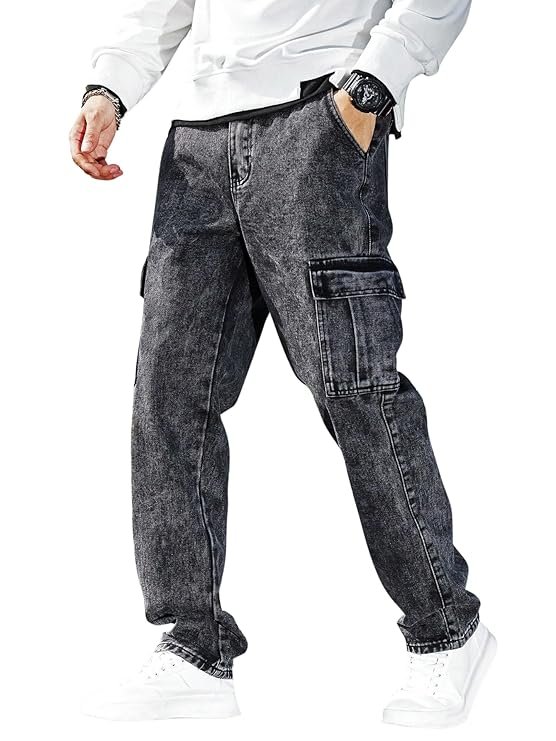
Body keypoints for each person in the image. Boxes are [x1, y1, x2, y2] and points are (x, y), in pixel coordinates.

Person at [70, 0, 496, 727]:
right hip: (197, 140)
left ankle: (446, 628)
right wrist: (112, 86)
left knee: (355, 387)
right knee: (168, 396)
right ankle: (194, 644)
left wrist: (374, 84)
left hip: (316, 116)